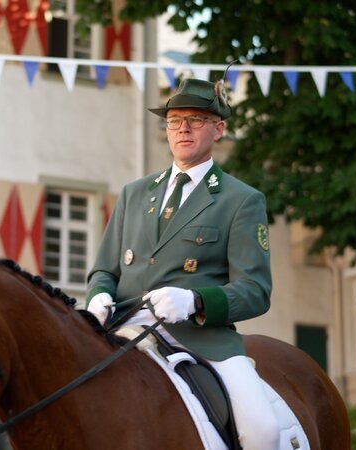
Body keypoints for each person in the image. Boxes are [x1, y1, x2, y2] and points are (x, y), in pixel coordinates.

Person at [87, 77, 280, 449]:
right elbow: (105, 271)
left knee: (263, 431)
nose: (183, 129)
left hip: (200, 337)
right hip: (123, 326)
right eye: (174, 120)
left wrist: (196, 302)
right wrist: (97, 296)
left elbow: (255, 292)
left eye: (195, 119)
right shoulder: (134, 193)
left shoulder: (241, 200)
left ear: (219, 129)